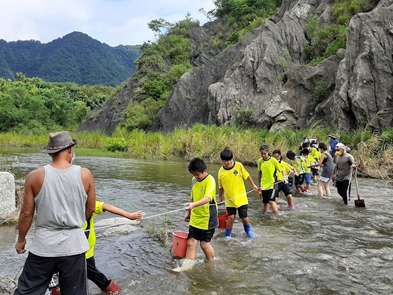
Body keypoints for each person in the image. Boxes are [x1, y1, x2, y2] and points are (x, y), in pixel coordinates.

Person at [14, 131, 96, 295]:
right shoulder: (85, 174)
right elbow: (91, 208)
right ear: (70, 150)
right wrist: (76, 222)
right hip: (74, 246)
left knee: (27, 291)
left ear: (50, 152)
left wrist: (21, 239)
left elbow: (26, 214)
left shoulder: (34, 176)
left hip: (43, 246)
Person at [49, 202, 146, 295]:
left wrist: (129, 215)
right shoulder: (61, 206)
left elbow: (106, 206)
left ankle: (116, 292)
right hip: (65, 252)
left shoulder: (85, 202)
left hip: (85, 252)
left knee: (94, 275)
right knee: (59, 280)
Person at [218, 148, 258, 238]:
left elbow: (247, 176)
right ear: (222, 161)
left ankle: (248, 230)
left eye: (230, 160)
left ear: (233, 158)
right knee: (231, 217)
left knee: (244, 217)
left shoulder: (239, 166)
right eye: (226, 161)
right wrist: (220, 198)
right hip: (229, 199)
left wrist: (253, 185)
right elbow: (220, 187)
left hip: (241, 197)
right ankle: (228, 235)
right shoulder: (221, 171)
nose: (228, 163)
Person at [184, 158, 218, 260]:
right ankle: (188, 267)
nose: (196, 177)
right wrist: (189, 213)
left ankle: (212, 263)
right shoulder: (194, 180)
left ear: (205, 171)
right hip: (195, 217)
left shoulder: (210, 180)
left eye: (198, 174)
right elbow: (192, 197)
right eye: (194, 174)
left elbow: (208, 198)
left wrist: (194, 205)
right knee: (191, 243)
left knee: (204, 244)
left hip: (208, 218)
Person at [257, 145, 281, 213]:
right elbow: (259, 172)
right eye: (261, 154)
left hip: (272, 184)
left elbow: (281, 170)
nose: (263, 155)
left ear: (268, 152)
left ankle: (276, 215)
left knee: (271, 200)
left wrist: (284, 177)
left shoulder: (273, 160)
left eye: (264, 153)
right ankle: (266, 215)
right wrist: (259, 184)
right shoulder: (260, 161)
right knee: (265, 202)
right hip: (264, 184)